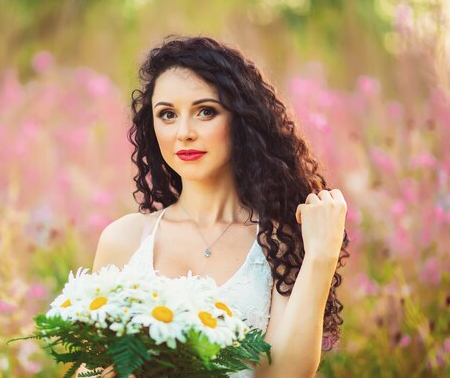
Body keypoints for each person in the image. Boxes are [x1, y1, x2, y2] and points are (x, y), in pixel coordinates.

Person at [87, 35, 350, 378]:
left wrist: (321, 257)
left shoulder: (277, 242)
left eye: (205, 112)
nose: (184, 132)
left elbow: (286, 373)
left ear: (241, 120)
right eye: (167, 115)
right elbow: (88, 365)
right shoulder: (123, 240)